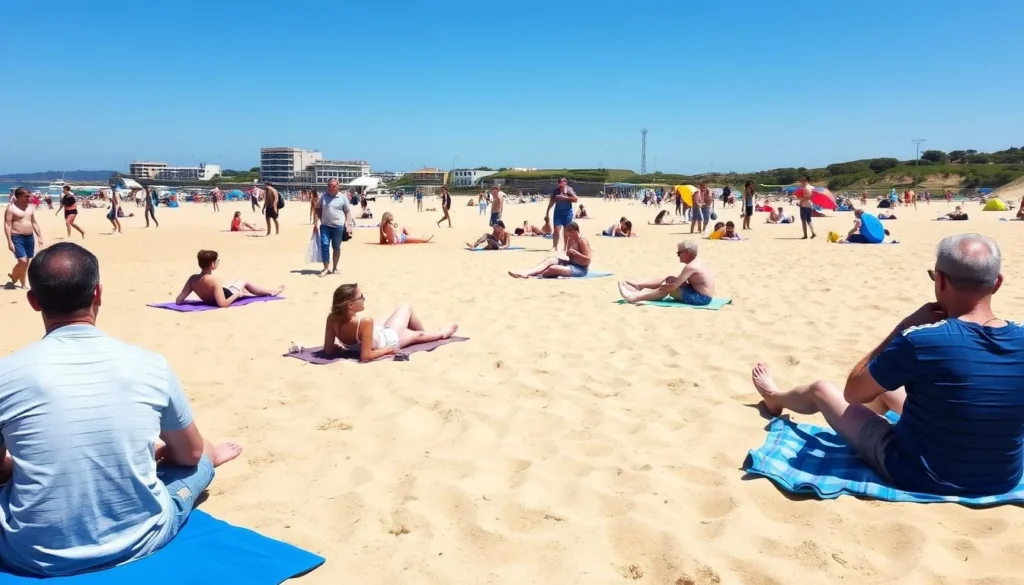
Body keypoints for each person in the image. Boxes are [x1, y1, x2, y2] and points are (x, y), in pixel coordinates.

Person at [0, 242, 243, 577]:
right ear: (98, 293)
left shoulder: (5, 374)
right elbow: (188, 455)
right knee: (200, 458)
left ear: (34, 301)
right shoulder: (150, 365)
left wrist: (33, 460)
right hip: (140, 538)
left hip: (29, 553)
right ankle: (208, 458)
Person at [750, 234, 1024, 496]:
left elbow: (853, 392)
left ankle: (775, 399)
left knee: (821, 389)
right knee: (888, 388)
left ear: (940, 281)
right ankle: (874, 418)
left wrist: (904, 326)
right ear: (997, 282)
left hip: (924, 474)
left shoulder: (921, 340)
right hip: (1002, 478)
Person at [322, 283, 459, 363]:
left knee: (394, 313)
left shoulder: (332, 319)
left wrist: (339, 348)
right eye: (361, 297)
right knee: (409, 315)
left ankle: (424, 334)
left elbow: (327, 350)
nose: (364, 299)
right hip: (387, 340)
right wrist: (388, 350)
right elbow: (366, 356)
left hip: (376, 334)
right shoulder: (364, 322)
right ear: (351, 305)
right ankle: (440, 334)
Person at [617, 240, 715, 306]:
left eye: (679, 253)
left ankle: (634, 297)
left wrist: (663, 288)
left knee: (669, 288)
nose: (678, 255)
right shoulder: (696, 262)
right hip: (697, 292)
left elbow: (672, 287)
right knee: (670, 279)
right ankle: (639, 286)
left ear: (688, 253)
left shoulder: (691, 267)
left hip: (701, 298)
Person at [174, 250, 284, 308]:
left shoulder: (192, 279)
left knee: (237, 281)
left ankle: (271, 291)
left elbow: (179, 301)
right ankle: (272, 292)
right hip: (227, 295)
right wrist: (238, 294)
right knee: (243, 281)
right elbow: (223, 304)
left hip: (216, 295)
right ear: (212, 264)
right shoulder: (214, 280)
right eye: (217, 261)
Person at [508, 221, 590, 278]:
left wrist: (576, 253)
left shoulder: (582, 241)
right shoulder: (571, 240)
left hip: (580, 269)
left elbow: (588, 260)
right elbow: (568, 255)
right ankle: (527, 273)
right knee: (550, 260)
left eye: (570, 234)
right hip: (571, 264)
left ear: (575, 232)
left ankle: (535, 275)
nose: (568, 236)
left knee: (553, 268)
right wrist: (569, 253)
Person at [313, 178, 355, 277]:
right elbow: (318, 208)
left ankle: (335, 268)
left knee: (336, 247)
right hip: (325, 226)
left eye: (333, 186)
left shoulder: (343, 197)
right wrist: (315, 222)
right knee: (324, 246)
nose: (331, 187)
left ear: (338, 187)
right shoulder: (323, 196)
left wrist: (349, 226)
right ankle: (326, 268)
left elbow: (347, 212)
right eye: (329, 186)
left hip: (338, 227)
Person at [5, 188, 44, 289]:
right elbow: (7, 225)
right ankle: (14, 276)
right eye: (26, 196)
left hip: (29, 238)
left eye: (29, 196)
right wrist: (9, 242)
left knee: (26, 262)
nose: (29, 198)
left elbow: (34, 222)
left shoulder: (30, 208)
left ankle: (23, 283)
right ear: (19, 197)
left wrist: (39, 236)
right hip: (17, 237)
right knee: (22, 261)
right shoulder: (11, 208)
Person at [544, 178, 578, 251]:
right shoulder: (556, 191)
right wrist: (547, 212)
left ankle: (565, 247)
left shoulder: (569, 190)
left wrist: (565, 197)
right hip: (558, 212)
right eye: (559, 183)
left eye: (561, 183)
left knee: (566, 231)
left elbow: (575, 199)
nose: (560, 185)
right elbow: (551, 202)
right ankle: (554, 246)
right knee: (556, 230)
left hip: (568, 213)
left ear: (565, 183)